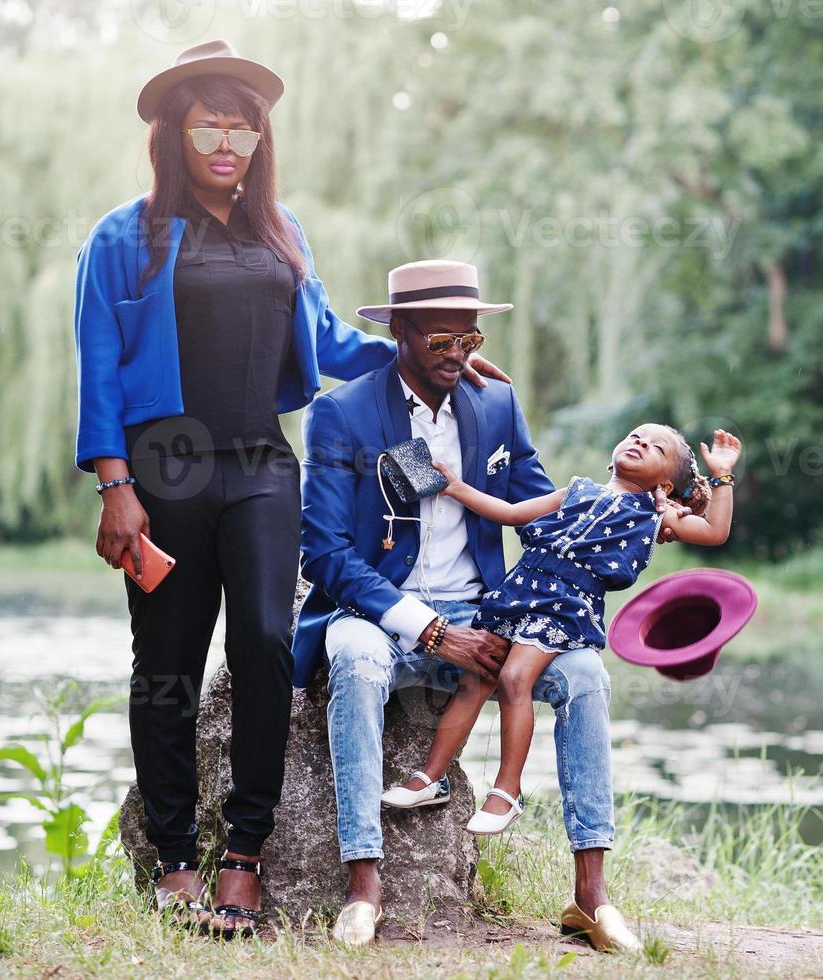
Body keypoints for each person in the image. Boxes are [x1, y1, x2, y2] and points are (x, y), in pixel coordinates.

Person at [72, 40, 507, 938]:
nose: (226, 141)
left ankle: (244, 855)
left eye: (243, 125)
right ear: (173, 132)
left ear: (260, 136)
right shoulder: (125, 236)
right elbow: (99, 369)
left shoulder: (282, 232)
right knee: (167, 664)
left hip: (264, 465)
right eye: (207, 124)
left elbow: (325, 346)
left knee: (268, 640)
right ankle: (175, 860)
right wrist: (115, 484)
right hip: (166, 467)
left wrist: (425, 351)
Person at [297, 259, 679, 952]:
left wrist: (631, 510)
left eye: (468, 341)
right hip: (385, 615)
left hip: (494, 614)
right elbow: (324, 555)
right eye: (439, 342)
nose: (458, 356)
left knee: (586, 676)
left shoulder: (495, 404)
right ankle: (363, 885)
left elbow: (537, 517)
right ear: (401, 333)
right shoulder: (341, 413)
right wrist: (434, 632)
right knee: (352, 662)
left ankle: (590, 896)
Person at [382, 426, 740, 849]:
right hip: (519, 591)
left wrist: (721, 477)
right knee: (475, 677)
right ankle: (432, 776)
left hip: (566, 605)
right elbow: (512, 513)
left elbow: (715, 532)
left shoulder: (656, 516)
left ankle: (507, 791)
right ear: (614, 453)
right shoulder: (576, 490)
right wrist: (457, 488)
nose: (640, 442)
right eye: (635, 435)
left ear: (665, 483)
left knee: (516, 678)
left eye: (655, 447)